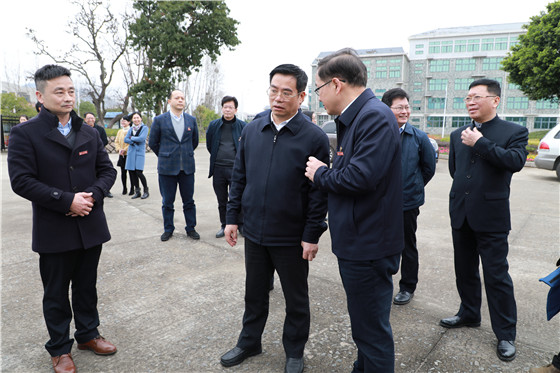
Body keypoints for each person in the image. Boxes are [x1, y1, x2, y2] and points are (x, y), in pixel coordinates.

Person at [7, 64, 117, 373]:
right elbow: (22, 181)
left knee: (87, 286)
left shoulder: (89, 131)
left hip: (90, 224)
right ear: (41, 96)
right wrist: (66, 200)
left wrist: (91, 196)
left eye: (71, 91)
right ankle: (59, 348)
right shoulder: (25, 133)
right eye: (59, 92)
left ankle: (88, 335)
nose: (67, 97)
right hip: (54, 228)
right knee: (55, 291)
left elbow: (107, 171)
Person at [219, 64, 329, 373]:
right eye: (273, 90)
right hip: (254, 231)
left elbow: (318, 194)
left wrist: (312, 233)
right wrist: (232, 218)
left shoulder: (314, 137)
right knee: (254, 293)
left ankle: (294, 351)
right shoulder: (253, 129)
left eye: (286, 92)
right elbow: (239, 177)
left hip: (291, 237)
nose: (278, 98)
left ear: (301, 95)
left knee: (296, 299)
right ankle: (249, 341)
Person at [305, 48, 403, 373]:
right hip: (360, 242)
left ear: (336, 84)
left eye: (318, 90)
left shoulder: (373, 115)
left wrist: (320, 173)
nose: (319, 99)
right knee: (364, 327)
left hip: (368, 245)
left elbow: (360, 177)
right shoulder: (358, 117)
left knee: (372, 332)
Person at [439, 78, 528, 362]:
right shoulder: (457, 134)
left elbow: (515, 162)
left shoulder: (514, 131)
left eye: (477, 97)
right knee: (464, 269)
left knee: (496, 276)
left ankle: (505, 334)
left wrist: (481, 143)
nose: (470, 102)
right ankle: (469, 313)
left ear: (495, 100)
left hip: (492, 217)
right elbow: (456, 170)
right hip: (461, 212)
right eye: (467, 98)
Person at [381, 88, 436, 306]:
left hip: (407, 203)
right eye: (399, 107)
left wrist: (411, 186)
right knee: (380, 243)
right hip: (380, 202)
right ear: (387, 109)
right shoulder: (379, 133)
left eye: (407, 107)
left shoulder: (419, 138)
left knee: (407, 245)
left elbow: (428, 169)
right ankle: (381, 283)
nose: (405, 111)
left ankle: (407, 286)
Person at [149, 90, 200, 242]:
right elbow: (153, 142)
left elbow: (194, 141)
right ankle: (168, 229)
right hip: (167, 168)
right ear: (169, 101)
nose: (180, 100)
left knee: (189, 201)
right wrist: (166, 154)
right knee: (167, 202)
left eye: (182, 98)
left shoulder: (191, 120)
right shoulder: (159, 120)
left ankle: (191, 228)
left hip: (187, 168)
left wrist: (184, 154)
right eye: (176, 98)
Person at [206, 96, 247, 238]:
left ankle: (240, 224)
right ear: (222, 108)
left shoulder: (243, 126)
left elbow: (247, 147)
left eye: (230, 107)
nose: (227, 109)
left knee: (238, 199)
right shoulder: (214, 125)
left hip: (236, 169)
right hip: (218, 169)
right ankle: (224, 225)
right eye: (225, 107)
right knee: (221, 200)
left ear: (235, 109)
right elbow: (210, 145)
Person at [84, 112, 112, 198]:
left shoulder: (100, 129)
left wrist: (97, 148)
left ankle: (106, 190)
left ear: (94, 119)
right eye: (88, 118)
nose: (90, 120)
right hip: (86, 155)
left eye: (92, 118)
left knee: (102, 171)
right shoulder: (82, 129)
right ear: (85, 119)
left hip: (99, 153)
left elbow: (105, 140)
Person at [125, 111, 149, 200]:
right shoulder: (131, 129)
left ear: (141, 118)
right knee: (132, 172)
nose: (136, 119)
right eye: (134, 118)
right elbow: (125, 139)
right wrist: (133, 140)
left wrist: (131, 138)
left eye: (137, 117)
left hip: (139, 152)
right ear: (132, 120)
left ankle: (146, 190)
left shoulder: (144, 128)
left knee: (139, 172)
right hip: (131, 153)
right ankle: (137, 191)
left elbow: (142, 138)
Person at [115, 114, 132, 195]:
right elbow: (116, 141)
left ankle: (133, 188)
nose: (123, 122)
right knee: (123, 172)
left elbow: (131, 142)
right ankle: (124, 187)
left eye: (124, 121)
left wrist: (124, 150)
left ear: (129, 122)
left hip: (129, 154)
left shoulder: (131, 130)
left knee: (131, 172)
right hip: (121, 155)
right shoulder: (120, 131)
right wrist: (119, 149)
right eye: (122, 121)